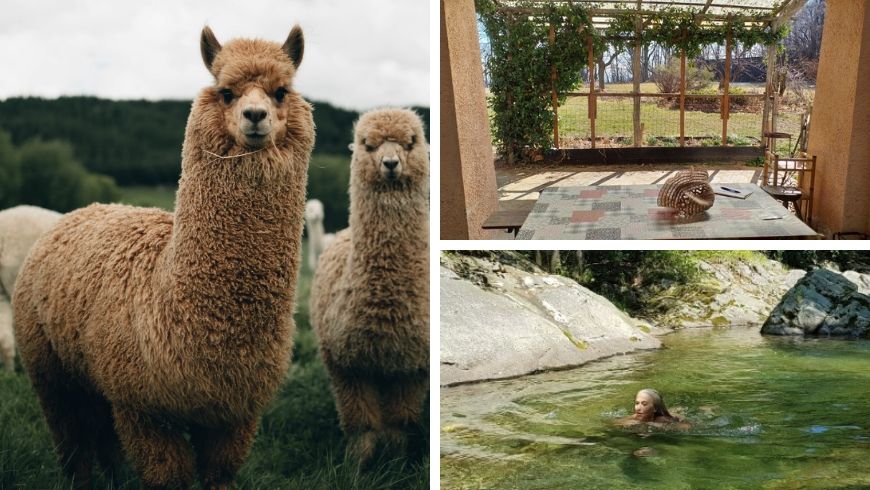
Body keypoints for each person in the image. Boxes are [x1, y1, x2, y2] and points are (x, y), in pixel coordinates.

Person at [617, 389, 690, 429]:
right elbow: (615, 423)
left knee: (674, 413)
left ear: (654, 408)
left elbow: (687, 427)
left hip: (669, 417)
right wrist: (626, 423)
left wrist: (657, 425)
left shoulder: (662, 420)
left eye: (644, 404)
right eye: (637, 403)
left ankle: (677, 410)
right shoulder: (635, 416)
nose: (638, 408)